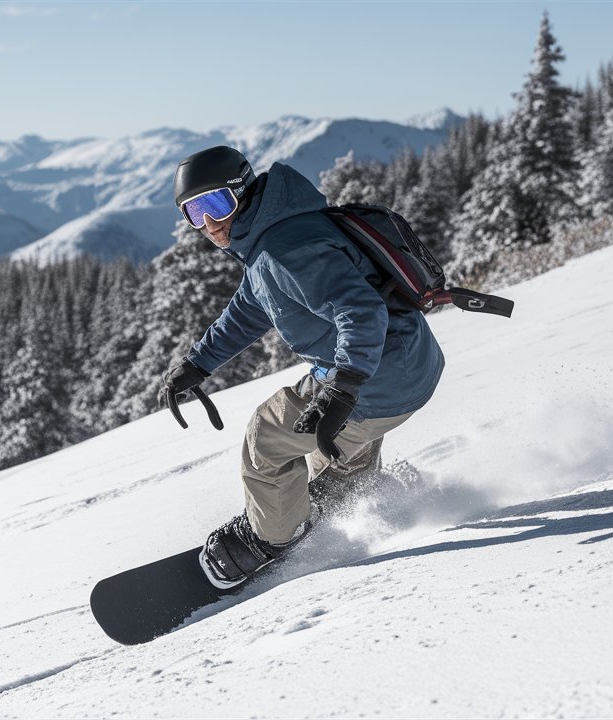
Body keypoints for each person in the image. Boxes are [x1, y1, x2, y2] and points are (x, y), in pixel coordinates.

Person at [158, 145, 445, 589]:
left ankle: (267, 540)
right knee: (323, 420)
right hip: (407, 366)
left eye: (216, 203)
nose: (209, 223)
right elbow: (251, 308)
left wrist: (345, 386)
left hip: (377, 377)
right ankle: (353, 488)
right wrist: (198, 364)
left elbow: (361, 312)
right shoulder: (273, 237)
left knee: (267, 438)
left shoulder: (284, 248)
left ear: (243, 192)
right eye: (193, 213)